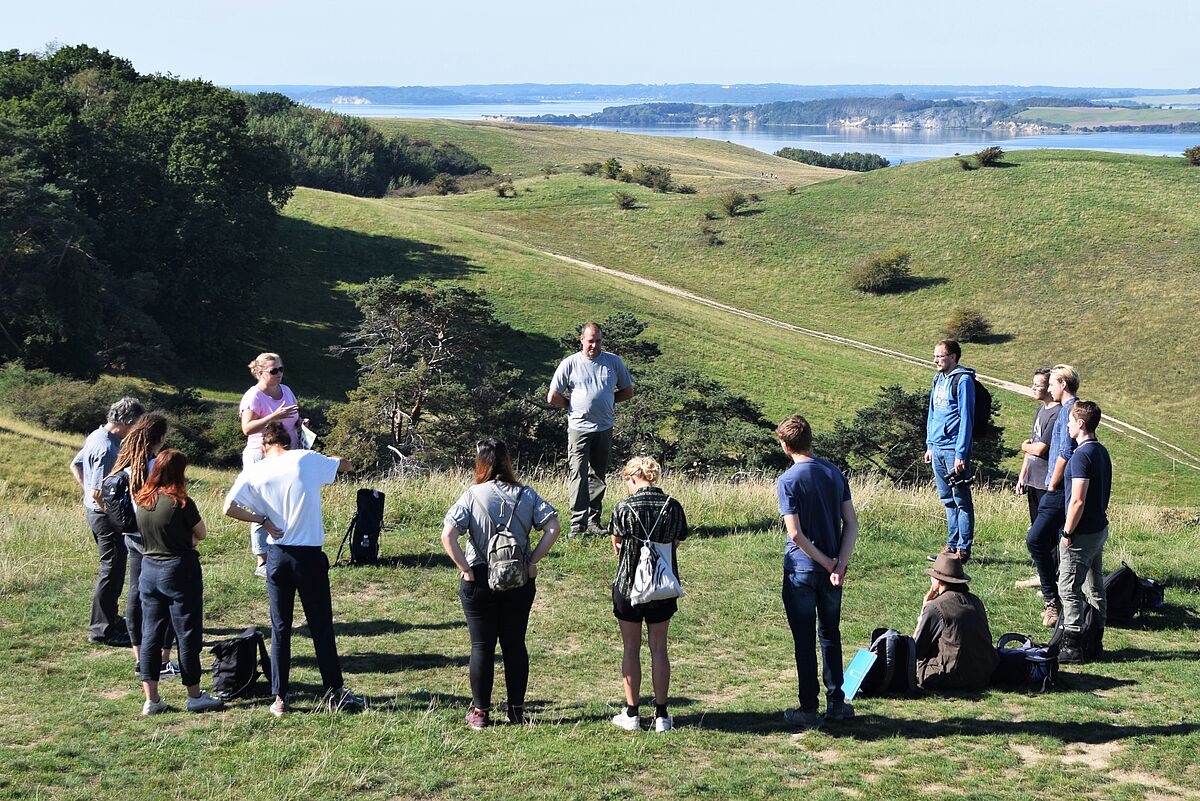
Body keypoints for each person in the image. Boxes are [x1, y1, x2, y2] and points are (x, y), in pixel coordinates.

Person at [222, 421, 363, 716]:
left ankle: (280, 698)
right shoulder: (305, 459)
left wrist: (261, 520)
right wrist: (334, 459)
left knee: (280, 627)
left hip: (276, 555)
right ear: (289, 440)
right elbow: (345, 466)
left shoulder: (255, 470)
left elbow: (229, 507)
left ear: (264, 446)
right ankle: (335, 691)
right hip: (308, 556)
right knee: (321, 625)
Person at [441, 437, 561, 730]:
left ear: (480, 463)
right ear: (508, 462)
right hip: (518, 578)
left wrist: (465, 568)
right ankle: (516, 710)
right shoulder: (527, 494)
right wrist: (532, 561)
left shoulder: (472, 494)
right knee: (514, 644)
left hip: (480, 576)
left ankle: (480, 713)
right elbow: (553, 527)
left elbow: (448, 536)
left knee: (481, 646)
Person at [775, 415, 859, 728]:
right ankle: (837, 702)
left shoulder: (788, 480)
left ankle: (808, 707)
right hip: (832, 571)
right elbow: (851, 523)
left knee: (804, 639)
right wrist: (840, 563)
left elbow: (795, 534)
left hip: (801, 568)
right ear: (810, 439)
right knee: (830, 634)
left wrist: (826, 562)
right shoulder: (834, 472)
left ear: (785, 446)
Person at [134, 449, 223, 715]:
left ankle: (152, 699)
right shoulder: (181, 502)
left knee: (150, 633)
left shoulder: (142, 499)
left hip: (148, 570)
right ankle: (194, 695)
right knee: (186, 632)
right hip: (179, 570)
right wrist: (188, 541)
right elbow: (202, 534)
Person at [609, 456, 688, 733]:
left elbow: (616, 544)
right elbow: (677, 540)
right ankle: (662, 715)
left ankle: (631, 713)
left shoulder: (624, 507)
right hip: (663, 587)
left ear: (632, 478)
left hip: (628, 585)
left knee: (631, 648)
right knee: (659, 648)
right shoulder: (673, 506)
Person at [106, 411, 177, 677]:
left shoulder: (125, 464)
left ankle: (140, 658)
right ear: (159, 437)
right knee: (168, 596)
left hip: (132, 536)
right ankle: (163, 659)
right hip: (157, 539)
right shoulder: (157, 466)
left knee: (136, 594)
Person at [547, 322, 634, 537]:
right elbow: (552, 396)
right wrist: (571, 406)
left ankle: (594, 522)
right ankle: (578, 524)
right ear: (582, 340)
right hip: (579, 428)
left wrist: (608, 402)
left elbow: (628, 390)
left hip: (604, 427)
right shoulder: (570, 363)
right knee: (578, 473)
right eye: (590, 341)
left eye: (598, 341)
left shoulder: (613, 362)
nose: (594, 345)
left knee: (598, 475)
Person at [70, 396, 144, 646]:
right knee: (111, 572)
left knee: (112, 569)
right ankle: (102, 630)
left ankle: (109, 618)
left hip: (97, 512)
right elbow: (98, 492)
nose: (138, 431)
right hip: (105, 516)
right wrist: (118, 519)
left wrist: (88, 492)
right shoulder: (107, 447)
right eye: (137, 425)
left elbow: (76, 465)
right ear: (126, 422)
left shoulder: (96, 435)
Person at [239, 352, 303, 577]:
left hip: (287, 453)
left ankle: (284, 552)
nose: (279, 374)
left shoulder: (286, 391)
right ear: (259, 373)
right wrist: (273, 416)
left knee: (286, 504)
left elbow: (293, 419)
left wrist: (300, 424)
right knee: (261, 508)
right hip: (261, 455)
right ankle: (262, 561)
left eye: (281, 369)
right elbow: (247, 429)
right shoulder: (253, 396)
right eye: (274, 371)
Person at [1026, 364, 1080, 627]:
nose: (1048, 388)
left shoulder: (1068, 411)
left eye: (1053, 384)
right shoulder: (1066, 410)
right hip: (1057, 487)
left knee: (1036, 540)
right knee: (1052, 541)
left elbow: (1064, 453)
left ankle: (1052, 602)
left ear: (1064, 385)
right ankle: (1060, 596)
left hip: (1058, 489)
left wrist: (1052, 484)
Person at [1058, 400, 1111, 663]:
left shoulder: (1081, 456)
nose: (1067, 426)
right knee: (1094, 585)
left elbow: (1077, 499)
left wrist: (1067, 532)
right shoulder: (1101, 452)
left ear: (1080, 424)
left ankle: (1073, 644)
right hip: (1098, 528)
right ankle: (1095, 641)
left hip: (1081, 534)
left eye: (1069, 421)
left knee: (1068, 587)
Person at [913, 553, 1000, 691]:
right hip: (983, 675)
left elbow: (916, 650)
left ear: (938, 580)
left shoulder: (936, 607)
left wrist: (923, 611)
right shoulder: (976, 601)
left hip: (950, 677)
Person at [924, 340, 977, 562]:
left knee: (961, 499)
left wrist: (961, 454)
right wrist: (929, 444)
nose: (936, 360)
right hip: (937, 447)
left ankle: (963, 549)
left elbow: (967, 419)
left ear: (954, 357)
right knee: (947, 499)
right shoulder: (938, 378)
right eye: (935, 356)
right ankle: (951, 544)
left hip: (953, 449)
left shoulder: (963, 381)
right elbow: (932, 412)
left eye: (941, 356)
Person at [1015, 367, 1059, 526]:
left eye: (1037, 385)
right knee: (1035, 526)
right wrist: (1022, 476)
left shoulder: (1057, 413)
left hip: (1045, 481)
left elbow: (1040, 448)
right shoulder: (1040, 409)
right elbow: (1033, 443)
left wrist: (1024, 446)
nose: (1033, 388)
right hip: (1032, 479)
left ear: (1049, 387)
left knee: (1046, 530)